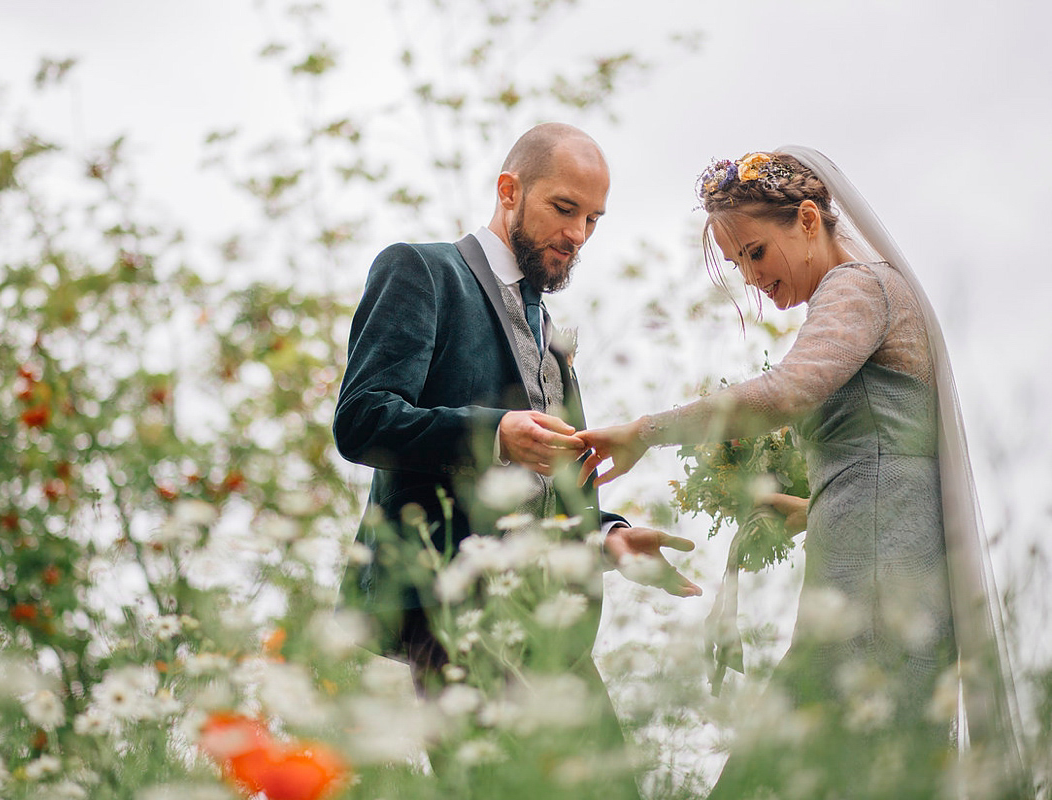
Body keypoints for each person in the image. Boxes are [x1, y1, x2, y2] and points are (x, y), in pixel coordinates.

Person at [577, 148, 1029, 799]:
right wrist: (807, 508)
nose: (750, 275)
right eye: (737, 264)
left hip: (873, 599)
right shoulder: (867, 293)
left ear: (810, 219)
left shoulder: (857, 287)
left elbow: (789, 390)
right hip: (873, 583)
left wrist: (646, 431)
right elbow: (889, 462)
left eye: (756, 252)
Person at [333, 123, 699, 794]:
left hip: (550, 621)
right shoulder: (421, 271)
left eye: (593, 218)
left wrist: (610, 536)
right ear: (509, 191)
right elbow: (361, 419)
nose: (580, 234)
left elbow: (556, 484)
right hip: (450, 607)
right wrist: (493, 432)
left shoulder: (553, 337)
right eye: (565, 209)